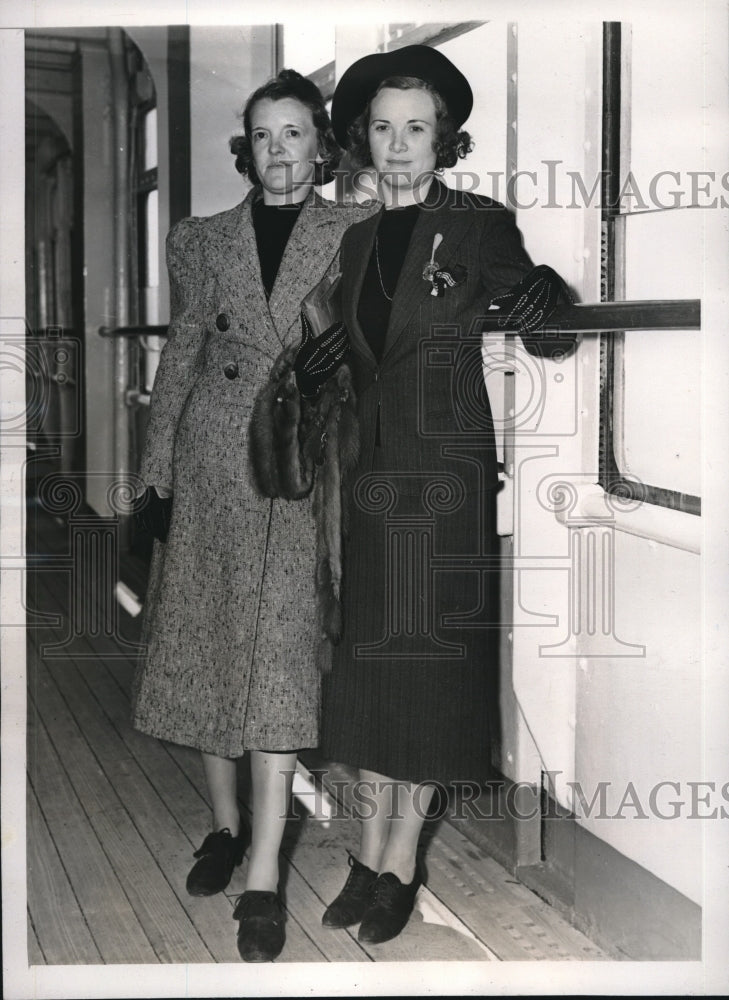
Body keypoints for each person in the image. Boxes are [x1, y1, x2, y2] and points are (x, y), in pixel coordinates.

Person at [319, 45, 573, 945]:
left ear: (442, 139)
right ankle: (370, 846)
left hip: (445, 479)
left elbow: (543, 324)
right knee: (375, 669)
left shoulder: (474, 225)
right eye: (381, 128)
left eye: (415, 128)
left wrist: (549, 297)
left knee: (428, 671)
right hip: (371, 479)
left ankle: (398, 863)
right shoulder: (352, 244)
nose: (396, 145)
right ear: (362, 137)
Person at [130, 68, 372, 963]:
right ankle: (225, 826)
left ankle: (265, 874)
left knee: (276, 654)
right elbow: (183, 358)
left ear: (322, 145)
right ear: (249, 147)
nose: (279, 151)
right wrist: (155, 479)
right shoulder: (198, 241)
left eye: (295, 134)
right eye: (264, 136)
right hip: (212, 460)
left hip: (302, 464)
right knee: (206, 637)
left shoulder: (355, 230)